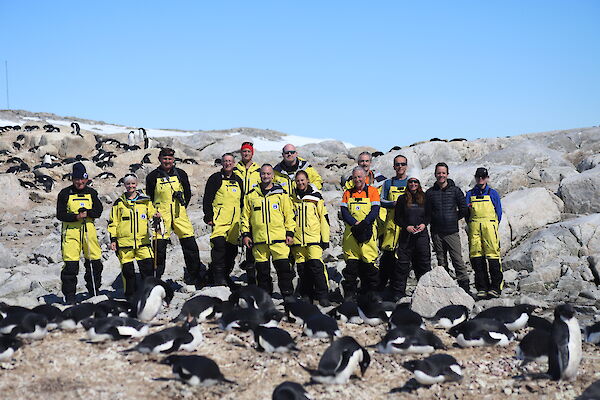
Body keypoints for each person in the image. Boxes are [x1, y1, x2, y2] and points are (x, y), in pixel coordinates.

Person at [145, 147, 205, 286]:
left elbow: (188, 193)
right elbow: (150, 197)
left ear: (174, 160)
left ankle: (194, 276)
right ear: (159, 159)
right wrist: (155, 212)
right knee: (159, 249)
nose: (167, 161)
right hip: (161, 216)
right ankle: (156, 280)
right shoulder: (153, 176)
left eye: (170, 159)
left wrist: (182, 206)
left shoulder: (181, 174)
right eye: (165, 159)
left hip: (179, 215)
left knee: (190, 246)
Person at [240, 164, 296, 298]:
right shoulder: (251, 195)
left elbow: (289, 215)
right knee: (262, 273)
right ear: (260, 175)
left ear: (273, 175)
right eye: (263, 174)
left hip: (279, 240)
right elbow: (245, 217)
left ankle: (288, 297)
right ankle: (265, 298)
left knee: (284, 270)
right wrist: (246, 234)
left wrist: (290, 233)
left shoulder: (281, 194)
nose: (266, 176)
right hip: (259, 240)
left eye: (268, 174)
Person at [56, 162, 103, 304]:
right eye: (77, 179)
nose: (80, 182)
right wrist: (75, 217)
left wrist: (88, 213)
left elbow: (98, 210)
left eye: (82, 179)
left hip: (89, 231)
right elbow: (60, 214)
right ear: (72, 179)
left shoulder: (91, 193)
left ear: (86, 179)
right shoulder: (65, 193)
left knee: (94, 263)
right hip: (71, 233)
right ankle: (70, 297)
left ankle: (94, 292)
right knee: (71, 266)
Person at [108, 173, 159, 300]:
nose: (130, 186)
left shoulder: (145, 201)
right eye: (128, 184)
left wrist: (156, 216)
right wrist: (113, 240)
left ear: (136, 184)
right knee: (128, 273)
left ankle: (148, 295)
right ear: (124, 185)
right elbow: (113, 222)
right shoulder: (119, 203)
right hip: (125, 244)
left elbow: (151, 213)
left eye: (133, 183)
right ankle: (130, 297)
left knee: (147, 270)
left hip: (143, 243)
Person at [424, 162, 470, 293]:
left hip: (451, 231)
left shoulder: (455, 190)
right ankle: (445, 288)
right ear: (435, 174)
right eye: (439, 173)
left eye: (443, 173)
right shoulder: (430, 193)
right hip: (437, 232)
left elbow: (464, 208)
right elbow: (427, 212)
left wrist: (453, 218)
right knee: (441, 261)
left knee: (457, 260)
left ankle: (465, 288)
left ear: (447, 174)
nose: (441, 175)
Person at [290, 170, 331, 306]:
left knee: (316, 267)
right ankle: (307, 295)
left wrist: (324, 239)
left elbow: (323, 219)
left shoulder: (316, 197)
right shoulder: (292, 198)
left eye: (303, 180)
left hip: (313, 238)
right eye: (298, 181)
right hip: (297, 240)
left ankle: (323, 295)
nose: (300, 183)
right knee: (302, 269)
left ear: (307, 180)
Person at [203, 153, 244, 286]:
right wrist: (208, 216)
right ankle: (218, 278)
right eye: (225, 161)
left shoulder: (238, 180)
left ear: (234, 163)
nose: (228, 163)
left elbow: (242, 201)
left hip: (235, 222)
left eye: (230, 161)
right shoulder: (215, 178)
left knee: (232, 250)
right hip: (219, 219)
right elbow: (207, 198)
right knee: (219, 247)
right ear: (222, 163)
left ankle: (226, 275)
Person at [340, 167, 381, 300]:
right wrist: (354, 223)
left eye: (359, 177)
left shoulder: (373, 191)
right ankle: (350, 295)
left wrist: (364, 223)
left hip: (368, 234)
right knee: (351, 267)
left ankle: (372, 294)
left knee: (370, 265)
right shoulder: (347, 193)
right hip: (351, 235)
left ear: (365, 177)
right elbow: (344, 211)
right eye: (355, 177)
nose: (357, 180)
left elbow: (375, 210)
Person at [465, 167, 503, 300]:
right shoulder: (470, 194)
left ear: (487, 178)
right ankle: (482, 287)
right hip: (474, 225)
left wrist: (493, 225)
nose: (480, 179)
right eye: (478, 177)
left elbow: (499, 211)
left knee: (493, 255)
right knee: (476, 256)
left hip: (489, 226)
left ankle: (496, 287)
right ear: (475, 178)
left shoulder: (493, 193)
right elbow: (466, 212)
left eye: (483, 177)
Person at [393, 177, 431, 299]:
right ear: (407, 184)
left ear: (419, 184)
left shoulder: (425, 198)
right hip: (406, 235)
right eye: (411, 182)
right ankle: (399, 293)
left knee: (423, 264)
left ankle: (425, 292)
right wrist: (406, 226)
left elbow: (429, 215)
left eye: (415, 182)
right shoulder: (402, 199)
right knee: (402, 265)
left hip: (421, 235)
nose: (413, 184)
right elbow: (397, 218)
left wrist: (424, 224)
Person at [378, 155, 409, 293]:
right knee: (388, 257)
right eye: (398, 164)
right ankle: (385, 287)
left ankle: (399, 289)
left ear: (406, 166)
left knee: (403, 258)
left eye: (403, 164)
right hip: (390, 225)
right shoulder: (388, 183)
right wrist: (394, 204)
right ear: (394, 166)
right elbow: (381, 201)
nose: (400, 167)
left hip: (407, 225)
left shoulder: (411, 182)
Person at [233, 141, 262, 284]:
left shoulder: (258, 170)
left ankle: (255, 276)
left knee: (254, 241)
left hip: (253, 210)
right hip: (238, 209)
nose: (246, 154)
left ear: (252, 153)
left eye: (248, 151)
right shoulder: (235, 169)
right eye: (244, 151)